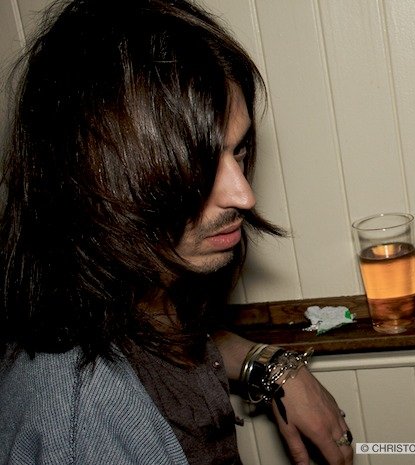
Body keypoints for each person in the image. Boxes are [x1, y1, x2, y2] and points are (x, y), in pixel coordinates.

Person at [0, 1, 353, 464]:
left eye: (238, 150)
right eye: (197, 164)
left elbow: (166, 339)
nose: (243, 195)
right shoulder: (81, 421)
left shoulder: (124, 299)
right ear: (97, 180)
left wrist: (271, 365)